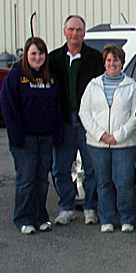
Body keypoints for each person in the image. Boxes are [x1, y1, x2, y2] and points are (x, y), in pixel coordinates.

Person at [1, 37, 63, 234]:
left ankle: (40, 217)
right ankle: (23, 218)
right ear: (26, 55)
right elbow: (9, 109)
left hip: (45, 138)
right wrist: (16, 135)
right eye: (33, 53)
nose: (38, 57)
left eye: (41, 53)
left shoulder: (50, 79)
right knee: (26, 180)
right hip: (25, 139)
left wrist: (57, 132)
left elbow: (57, 108)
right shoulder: (16, 77)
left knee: (42, 180)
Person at [49, 15, 104, 225]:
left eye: (79, 30)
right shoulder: (53, 59)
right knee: (60, 168)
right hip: (63, 120)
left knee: (91, 168)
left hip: (87, 121)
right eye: (71, 29)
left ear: (84, 32)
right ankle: (66, 207)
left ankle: (90, 207)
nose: (75, 33)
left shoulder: (95, 58)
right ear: (64, 31)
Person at [79, 44, 136, 233]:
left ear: (122, 63)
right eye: (109, 60)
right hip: (98, 144)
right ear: (104, 63)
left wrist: (119, 135)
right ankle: (106, 218)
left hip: (124, 144)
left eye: (116, 60)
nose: (112, 63)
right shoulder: (93, 85)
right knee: (103, 182)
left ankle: (127, 219)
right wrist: (101, 135)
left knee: (124, 183)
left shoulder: (132, 86)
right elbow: (84, 112)